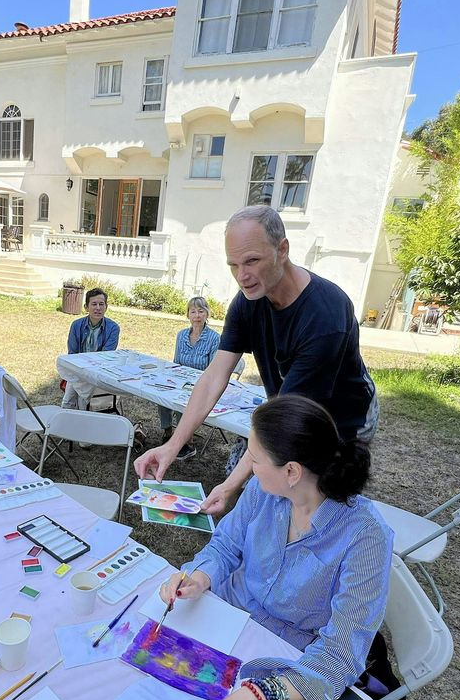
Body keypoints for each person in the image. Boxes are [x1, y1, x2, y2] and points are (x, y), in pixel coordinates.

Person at [158, 395, 392, 700]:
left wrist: (262, 695)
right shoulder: (264, 490)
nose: (247, 467)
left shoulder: (366, 536)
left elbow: (342, 653)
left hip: (284, 657)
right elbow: (226, 545)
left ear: (292, 472)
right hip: (225, 622)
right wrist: (199, 576)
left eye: (254, 458)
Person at [134, 205, 378, 516]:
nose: (242, 276)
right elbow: (215, 376)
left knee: (315, 503)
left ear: (282, 250)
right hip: (286, 405)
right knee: (263, 489)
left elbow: (287, 418)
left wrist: (230, 485)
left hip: (342, 419)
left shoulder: (326, 315)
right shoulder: (248, 300)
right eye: (233, 265)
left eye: (252, 261)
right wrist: (173, 444)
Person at [157, 296, 221, 462]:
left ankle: (186, 441)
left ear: (207, 314)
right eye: (193, 311)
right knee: (160, 394)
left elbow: (213, 369)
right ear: (188, 315)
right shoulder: (181, 335)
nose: (197, 315)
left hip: (201, 384)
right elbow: (176, 362)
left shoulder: (214, 338)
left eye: (201, 311)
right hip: (179, 380)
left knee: (183, 400)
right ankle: (168, 432)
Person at [61, 287, 120, 410]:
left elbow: (106, 355)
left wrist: (89, 370)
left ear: (106, 307)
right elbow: (72, 353)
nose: (98, 308)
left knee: (84, 404)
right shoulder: (76, 325)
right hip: (78, 370)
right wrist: (81, 370)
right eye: (94, 304)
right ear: (86, 307)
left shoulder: (113, 328)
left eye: (101, 304)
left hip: (97, 372)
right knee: (67, 402)